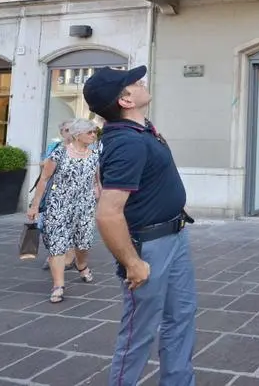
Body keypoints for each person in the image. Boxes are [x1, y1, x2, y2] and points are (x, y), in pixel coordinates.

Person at [82, 65, 196, 386]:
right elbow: (107, 214)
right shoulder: (127, 143)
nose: (141, 81)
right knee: (139, 332)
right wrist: (132, 263)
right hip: (149, 247)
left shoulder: (140, 130)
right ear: (126, 100)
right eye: (133, 82)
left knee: (181, 317)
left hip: (174, 235)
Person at [27, 118, 101, 303]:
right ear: (77, 134)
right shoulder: (60, 153)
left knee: (83, 243)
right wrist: (35, 205)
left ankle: (81, 264)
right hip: (59, 205)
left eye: (94, 132)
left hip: (85, 206)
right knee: (57, 245)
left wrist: (101, 198)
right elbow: (44, 179)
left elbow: (96, 181)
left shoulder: (95, 155)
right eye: (90, 132)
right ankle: (58, 285)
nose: (94, 135)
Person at [39, 119, 77, 272]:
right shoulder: (54, 146)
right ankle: (55, 254)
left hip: (74, 192)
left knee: (72, 224)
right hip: (54, 190)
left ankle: (69, 257)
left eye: (72, 130)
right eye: (66, 130)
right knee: (51, 225)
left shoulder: (82, 147)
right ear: (61, 132)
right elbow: (44, 165)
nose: (69, 133)